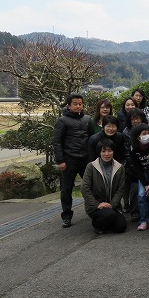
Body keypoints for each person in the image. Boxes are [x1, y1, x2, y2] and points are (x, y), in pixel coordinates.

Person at [53, 93, 93, 229]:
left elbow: (92, 139)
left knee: (91, 186)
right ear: (68, 105)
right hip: (69, 159)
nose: (78, 106)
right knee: (66, 189)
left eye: (80, 104)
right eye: (75, 104)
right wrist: (60, 160)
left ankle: (95, 210)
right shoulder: (62, 121)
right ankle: (66, 216)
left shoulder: (87, 119)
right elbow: (57, 142)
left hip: (85, 158)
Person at [81, 139, 127, 234]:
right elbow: (85, 188)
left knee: (121, 227)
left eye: (109, 151)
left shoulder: (120, 167)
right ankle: (97, 225)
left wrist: (112, 204)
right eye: (103, 151)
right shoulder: (91, 166)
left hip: (112, 206)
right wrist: (97, 204)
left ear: (113, 151)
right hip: (95, 206)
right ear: (99, 152)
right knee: (109, 215)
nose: (107, 154)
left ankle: (106, 224)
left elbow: (120, 189)